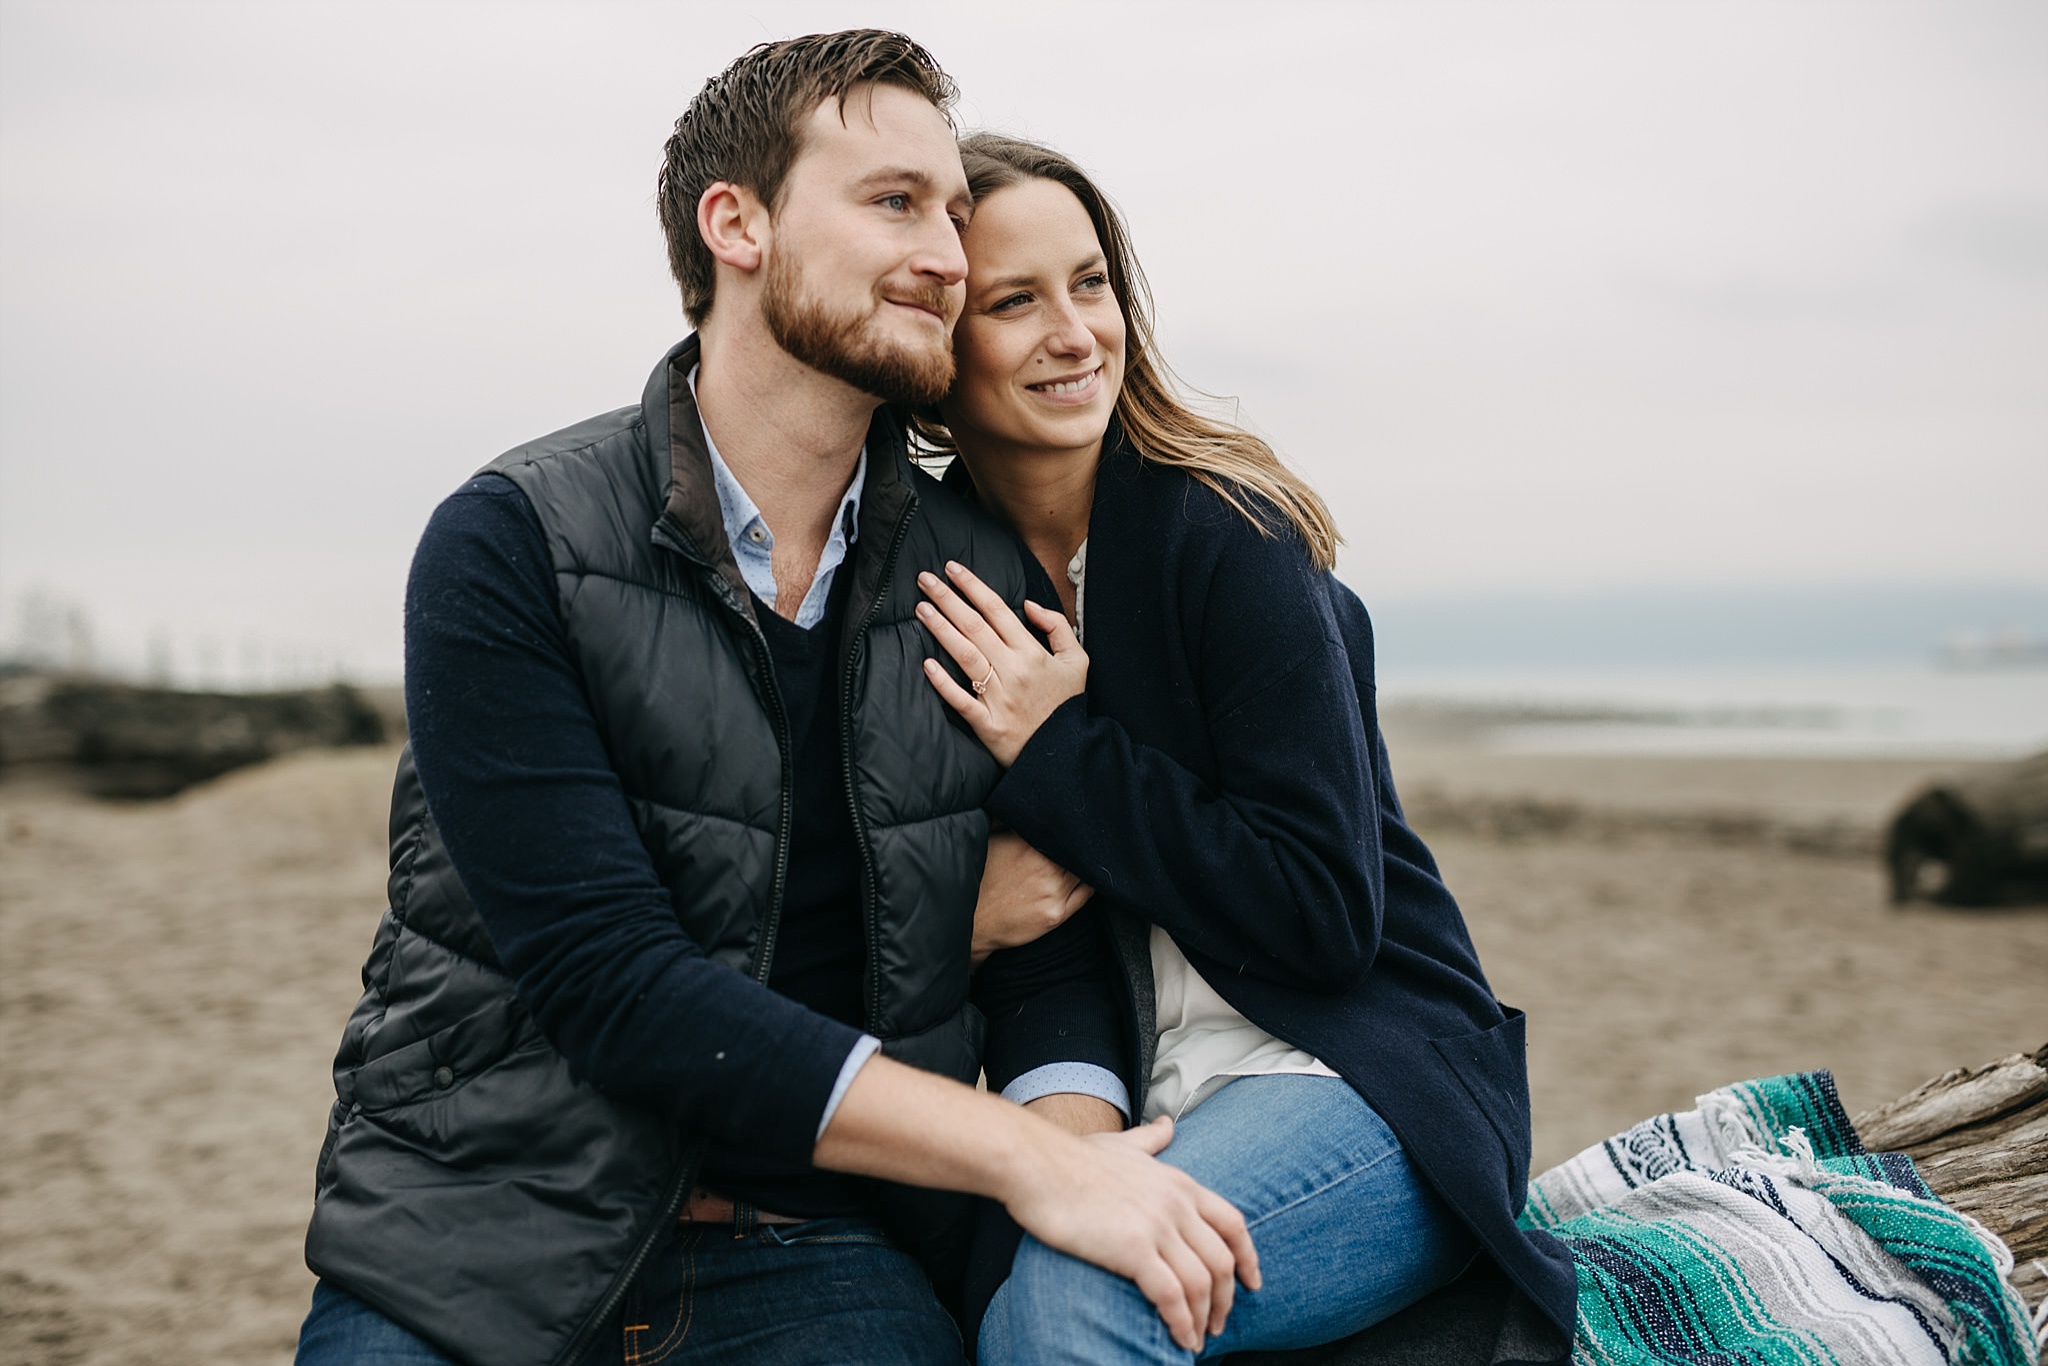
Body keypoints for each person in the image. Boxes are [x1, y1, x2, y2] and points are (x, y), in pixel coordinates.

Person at [292, 35, 1257, 1366]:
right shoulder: (513, 541)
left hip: (813, 1245)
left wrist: (1085, 1161)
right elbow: (610, 980)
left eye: (956, 215)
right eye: (893, 202)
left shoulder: (974, 570)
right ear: (733, 223)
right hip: (485, 1226)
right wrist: (1018, 1154)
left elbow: (1047, 959)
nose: (947, 254)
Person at [908, 133, 1579, 1363]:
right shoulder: (948, 585)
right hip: (1130, 1081)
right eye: (1015, 301)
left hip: (1357, 1075)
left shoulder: (1224, 534)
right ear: (937, 351)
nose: (1074, 332)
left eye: (1090, 282)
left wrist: (1062, 752)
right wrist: (1066, 1130)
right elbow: (1035, 929)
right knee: (971, 1305)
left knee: (1078, 1302)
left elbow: (1321, 911)